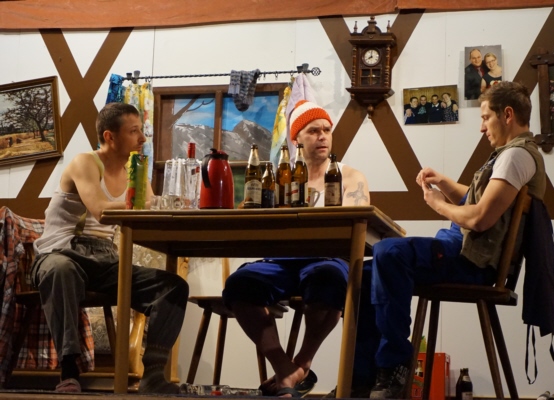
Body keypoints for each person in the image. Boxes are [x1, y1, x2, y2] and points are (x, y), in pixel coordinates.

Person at [339, 81, 546, 399]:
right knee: (362, 275)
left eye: (485, 117)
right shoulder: (512, 155)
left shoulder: (516, 156)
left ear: (507, 115)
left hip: (472, 262)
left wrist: (437, 204)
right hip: (462, 252)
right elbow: (480, 201)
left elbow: (480, 218)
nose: (482, 127)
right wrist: (444, 183)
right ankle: (360, 379)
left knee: (389, 251)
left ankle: (394, 366)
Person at [31, 103, 189, 394]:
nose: (142, 138)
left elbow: (148, 213)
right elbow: (100, 209)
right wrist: (150, 203)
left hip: (104, 259)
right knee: (61, 270)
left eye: (141, 131)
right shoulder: (85, 162)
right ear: (110, 136)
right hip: (61, 252)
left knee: (173, 287)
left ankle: (153, 374)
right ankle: (69, 370)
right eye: (134, 131)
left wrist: (169, 208)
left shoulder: (135, 171)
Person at [222, 100, 370, 398]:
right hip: (281, 260)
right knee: (240, 284)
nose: (322, 136)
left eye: (326, 130)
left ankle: (302, 362)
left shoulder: (350, 176)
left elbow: (357, 225)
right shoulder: (280, 177)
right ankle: (284, 367)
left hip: (327, 258)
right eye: (313, 131)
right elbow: (252, 214)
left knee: (328, 278)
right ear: (296, 139)